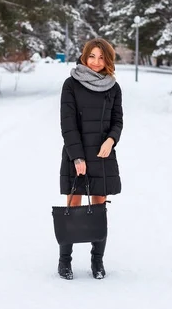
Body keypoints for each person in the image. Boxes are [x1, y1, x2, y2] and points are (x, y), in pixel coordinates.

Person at [58, 38, 123, 280]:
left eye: (101, 57)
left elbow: (117, 121)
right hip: (76, 154)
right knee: (72, 208)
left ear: (107, 60)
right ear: (85, 57)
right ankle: (65, 261)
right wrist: (77, 157)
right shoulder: (71, 84)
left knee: (99, 209)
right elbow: (68, 124)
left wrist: (111, 140)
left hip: (102, 156)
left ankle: (98, 261)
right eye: (92, 56)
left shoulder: (113, 88)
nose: (96, 62)